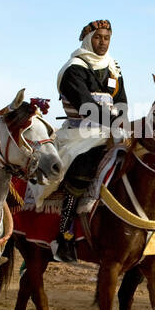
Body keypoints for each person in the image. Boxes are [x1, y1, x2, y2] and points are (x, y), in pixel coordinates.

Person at [52, 19, 128, 262]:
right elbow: (86, 106)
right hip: (80, 133)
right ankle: (64, 234)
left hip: (111, 131)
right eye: (98, 37)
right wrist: (115, 123)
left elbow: (122, 102)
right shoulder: (73, 69)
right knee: (84, 165)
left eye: (106, 37)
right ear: (88, 39)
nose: (103, 42)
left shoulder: (114, 67)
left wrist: (124, 123)